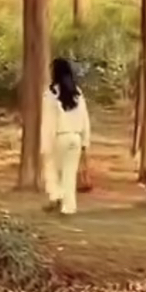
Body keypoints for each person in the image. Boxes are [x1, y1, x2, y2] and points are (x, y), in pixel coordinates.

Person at [41, 56, 91, 215]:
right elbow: (85, 119)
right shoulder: (77, 92)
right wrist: (85, 142)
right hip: (75, 138)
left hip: (59, 137)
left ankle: (56, 196)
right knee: (70, 174)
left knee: (52, 168)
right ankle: (68, 207)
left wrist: (45, 144)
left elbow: (48, 120)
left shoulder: (51, 93)